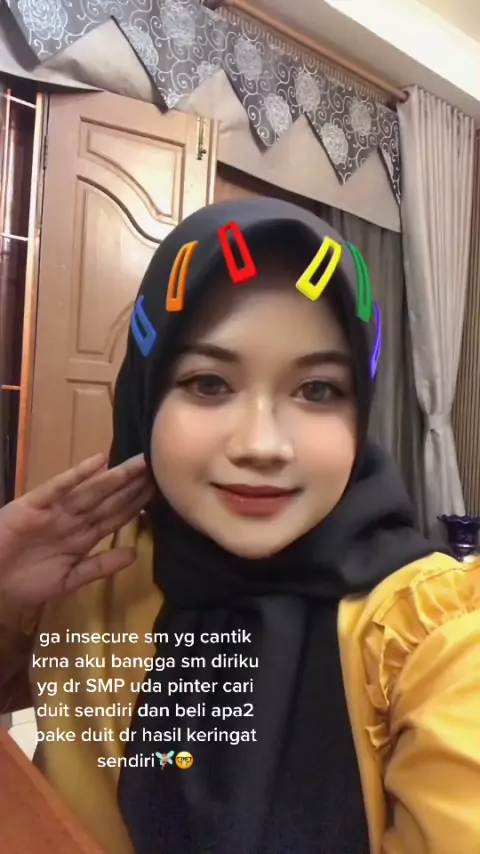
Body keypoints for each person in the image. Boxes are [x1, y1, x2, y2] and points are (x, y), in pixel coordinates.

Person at [1, 198, 480, 854]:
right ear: (145, 393)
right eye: (209, 384)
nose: (261, 445)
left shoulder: (430, 630)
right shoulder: (93, 573)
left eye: (317, 390)